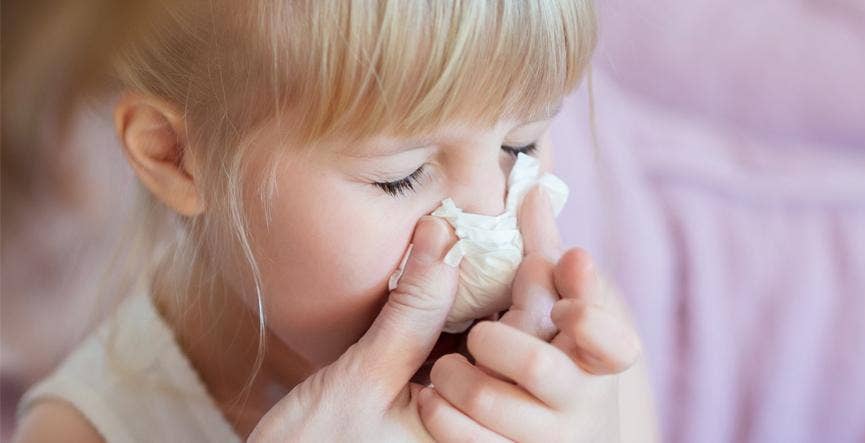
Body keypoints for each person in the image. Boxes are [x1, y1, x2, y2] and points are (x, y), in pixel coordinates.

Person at [13, 0, 657, 441]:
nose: (494, 218)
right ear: (178, 157)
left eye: (520, 147)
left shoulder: (568, 359)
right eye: (399, 176)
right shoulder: (85, 429)